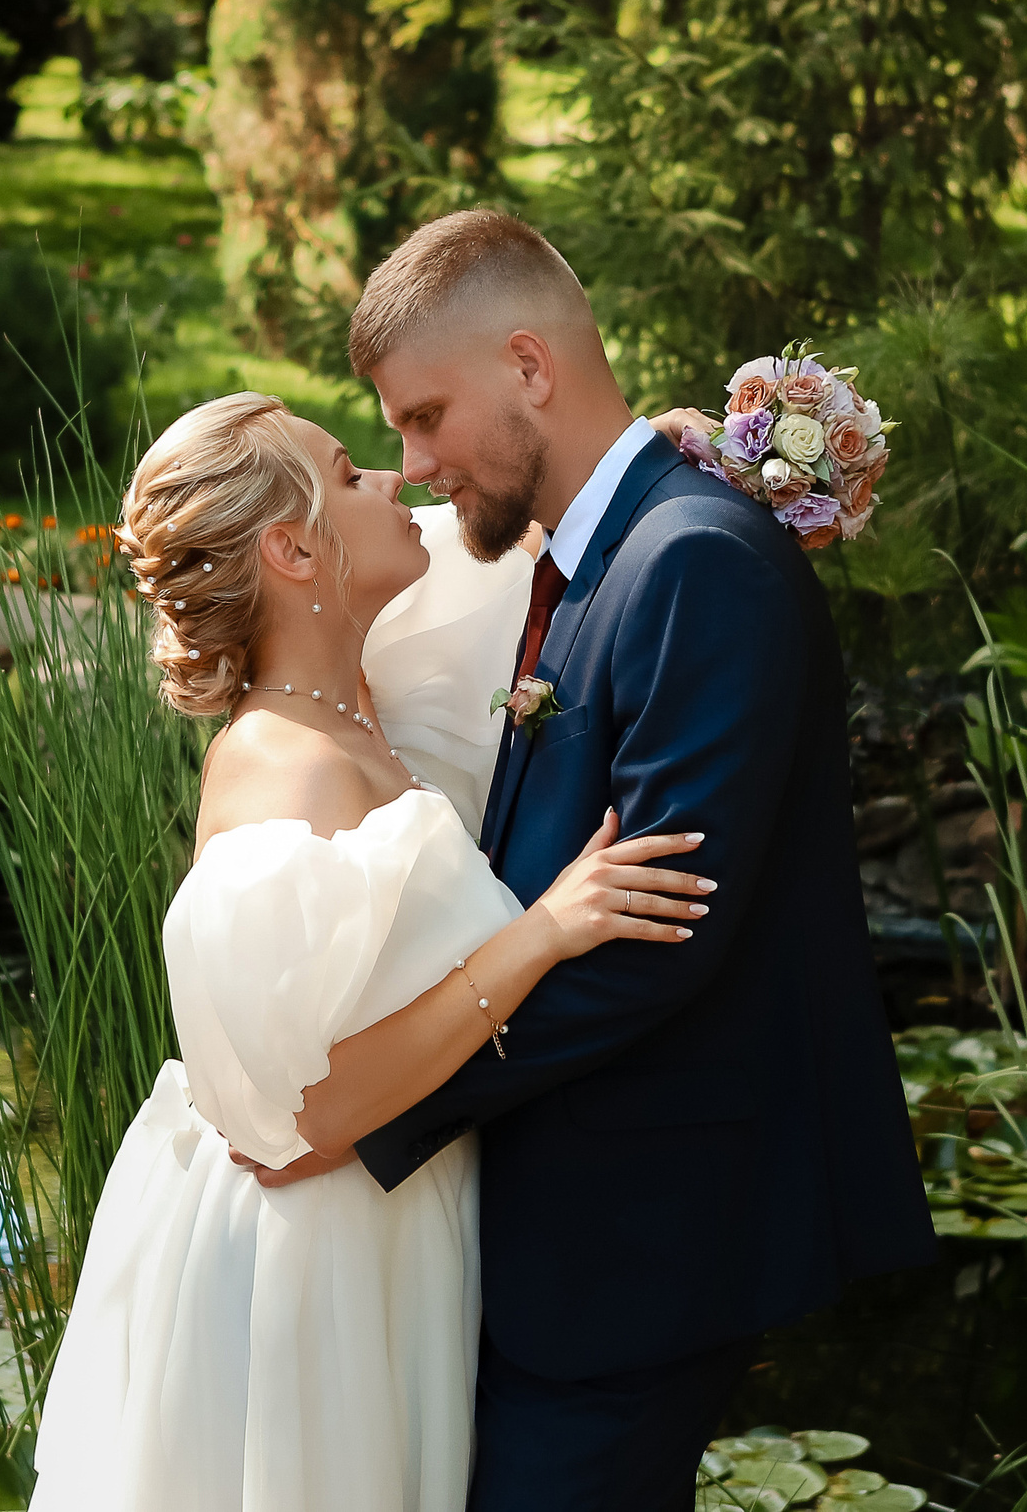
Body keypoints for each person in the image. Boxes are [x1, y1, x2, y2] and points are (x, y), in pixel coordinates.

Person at [239, 209, 935, 1510]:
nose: (418, 461)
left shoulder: (697, 563)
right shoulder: (600, 551)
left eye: (428, 415)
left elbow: (656, 935)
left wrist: (384, 1104)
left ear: (530, 367)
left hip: (645, 1230)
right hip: (575, 1228)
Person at [28, 388, 713, 1512]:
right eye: (351, 474)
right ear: (294, 549)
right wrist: (545, 933)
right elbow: (304, 1121)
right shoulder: (280, 771)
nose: (396, 482)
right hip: (314, 1271)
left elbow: (505, 529)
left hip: (399, 1231)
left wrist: (651, 450)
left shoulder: (365, 675)